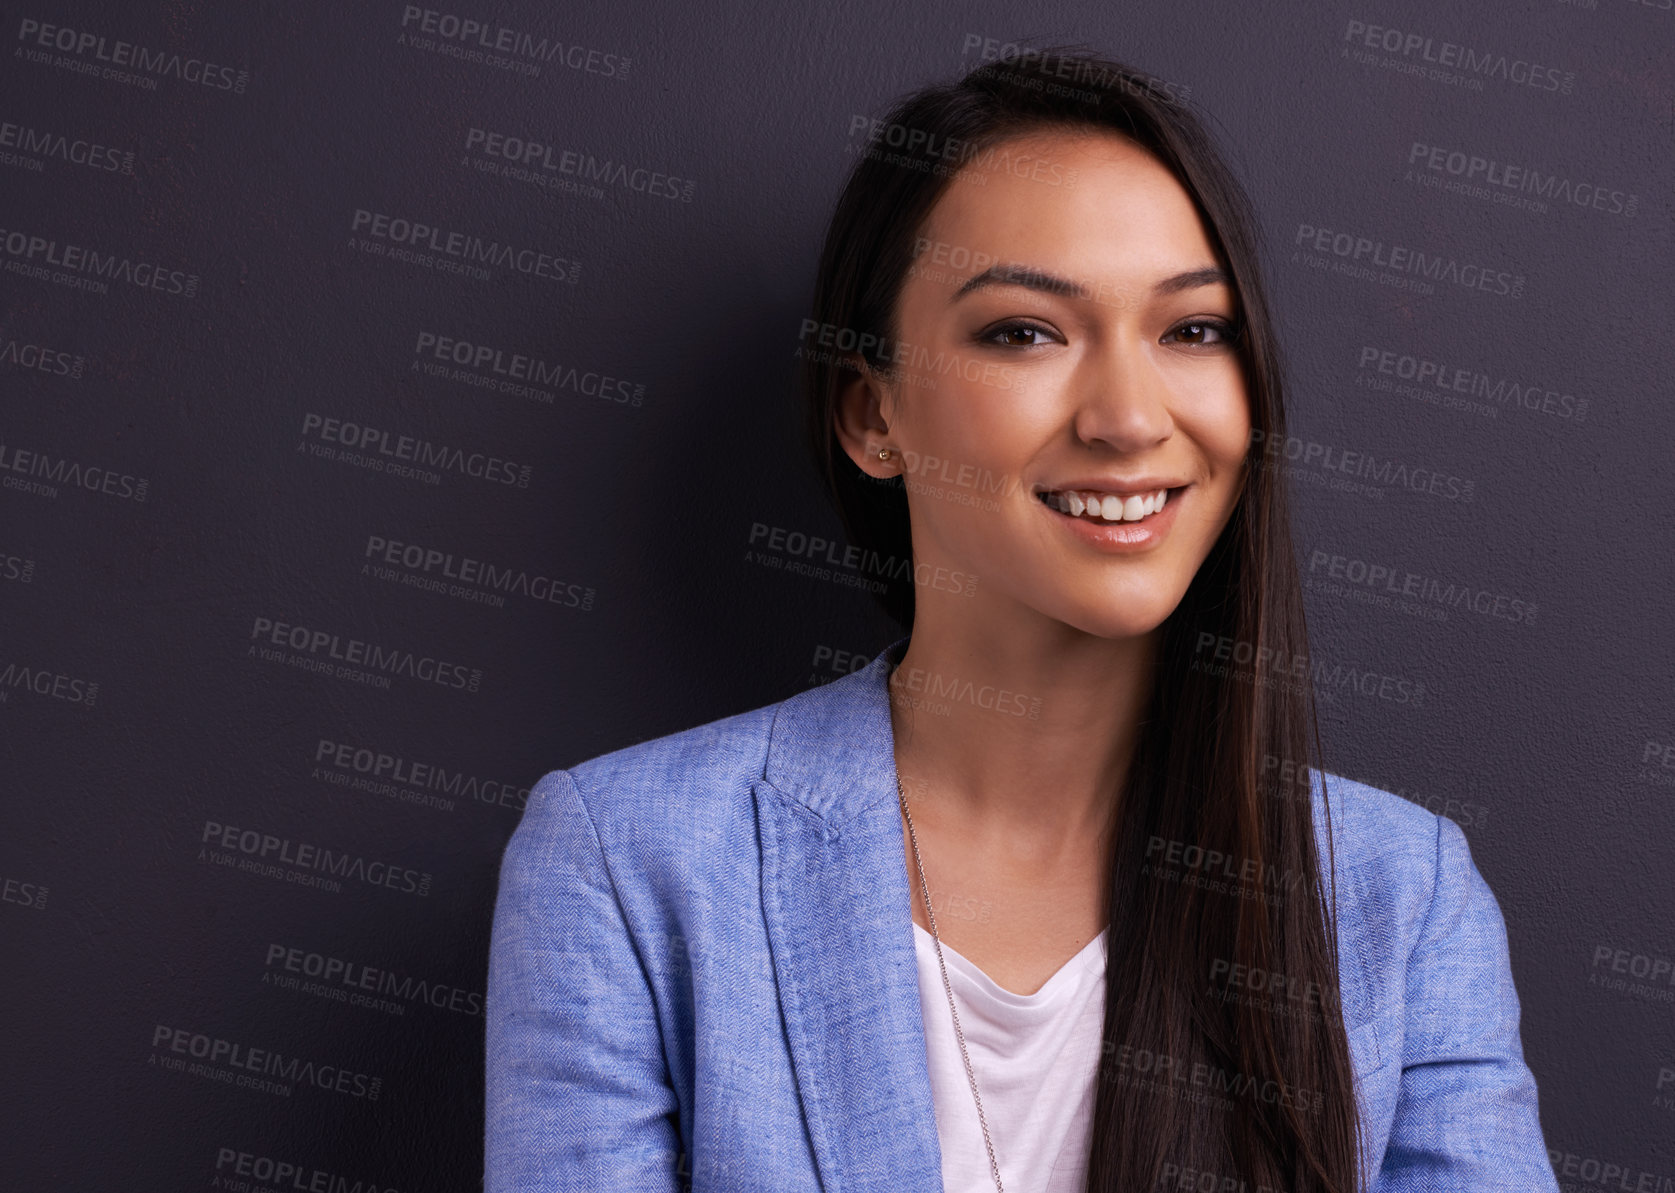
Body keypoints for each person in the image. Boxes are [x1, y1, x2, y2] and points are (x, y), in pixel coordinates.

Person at [485, 49, 1558, 1193]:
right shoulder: (627, 859)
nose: (1128, 417)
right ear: (872, 411)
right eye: (1025, 332)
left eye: (1192, 330)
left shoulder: (1402, 895)